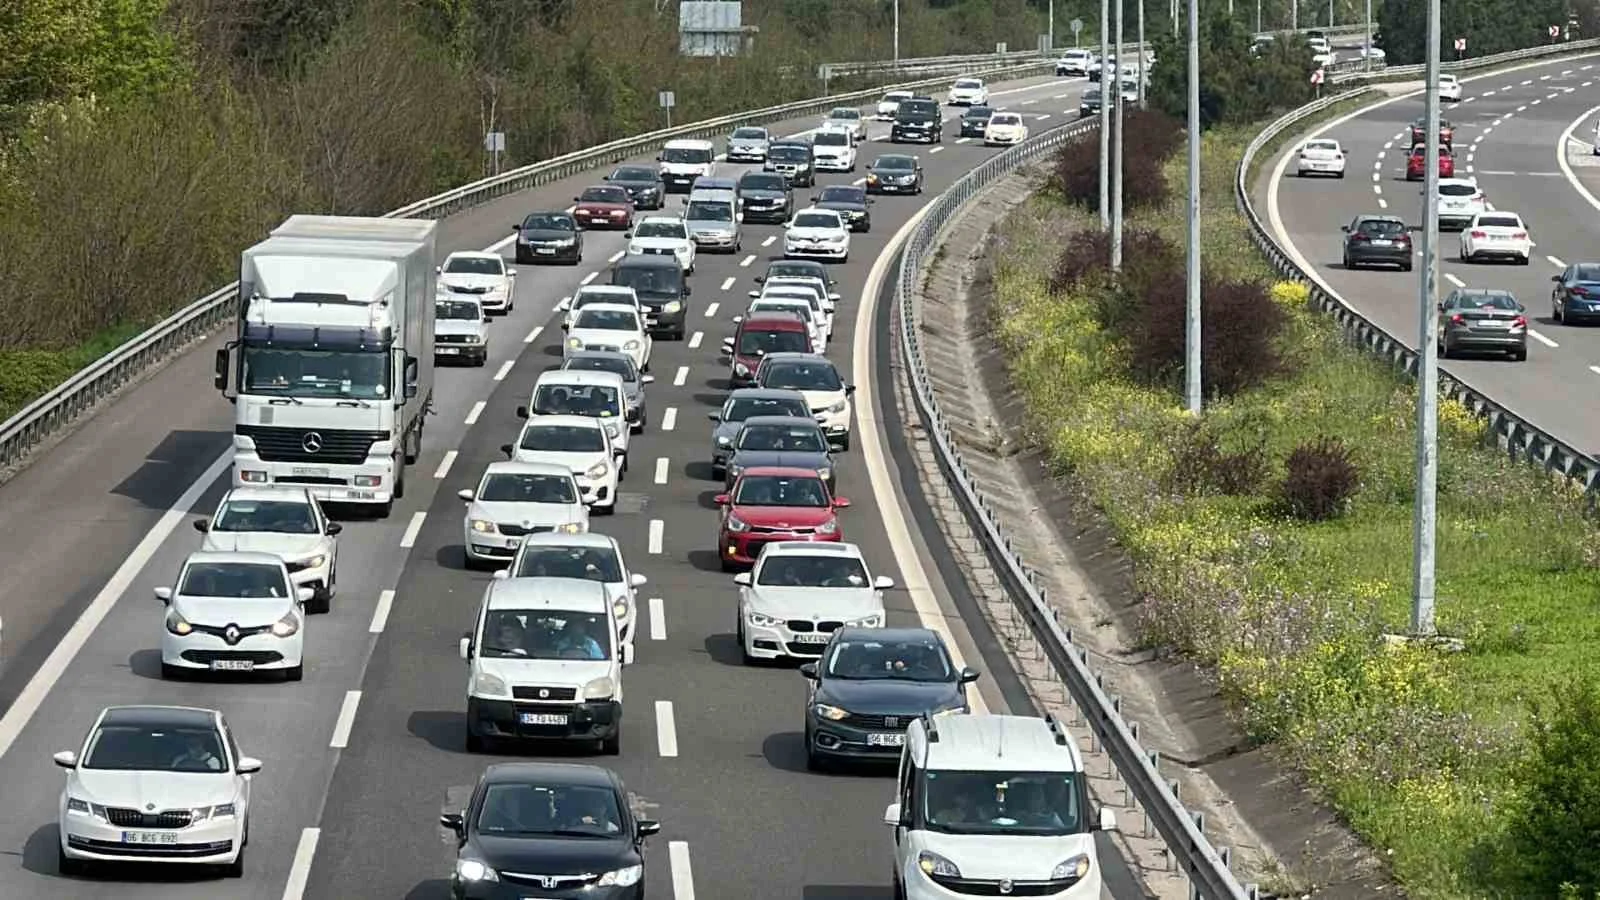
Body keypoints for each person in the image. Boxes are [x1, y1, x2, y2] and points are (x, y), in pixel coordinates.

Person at [555, 790, 620, 834]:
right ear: (587, 805)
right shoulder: (570, 822)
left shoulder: (612, 828)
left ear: (605, 808)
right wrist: (580, 821)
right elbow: (561, 831)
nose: (597, 808)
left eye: (600, 804)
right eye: (593, 804)